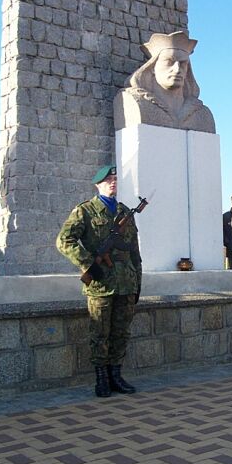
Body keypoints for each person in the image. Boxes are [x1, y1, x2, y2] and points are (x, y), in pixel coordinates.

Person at [56, 165, 142, 398]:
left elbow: (134, 250)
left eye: (115, 179)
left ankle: (116, 375)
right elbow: (64, 241)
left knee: (121, 333)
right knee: (100, 333)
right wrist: (89, 263)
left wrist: (138, 283)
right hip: (101, 285)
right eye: (108, 180)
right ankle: (101, 379)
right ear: (97, 184)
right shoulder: (86, 211)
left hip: (126, 282)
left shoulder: (125, 212)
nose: (113, 183)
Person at [113, 31, 215, 133]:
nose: (177, 69)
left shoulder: (202, 113)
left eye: (183, 63)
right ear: (153, 67)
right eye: (169, 62)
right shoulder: (134, 103)